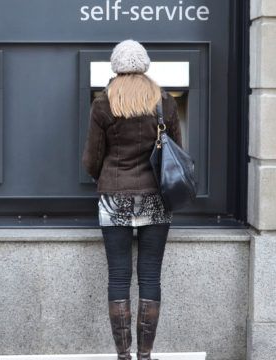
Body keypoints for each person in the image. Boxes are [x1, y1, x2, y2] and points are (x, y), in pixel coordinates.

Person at [81, 39, 183, 360]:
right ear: (145, 65)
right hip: (156, 198)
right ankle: (145, 355)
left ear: (115, 66)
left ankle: (123, 355)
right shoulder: (164, 102)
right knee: (150, 275)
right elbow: (176, 151)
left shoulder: (103, 103)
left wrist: (104, 176)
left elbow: (91, 159)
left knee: (119, 276)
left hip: (114, 198)